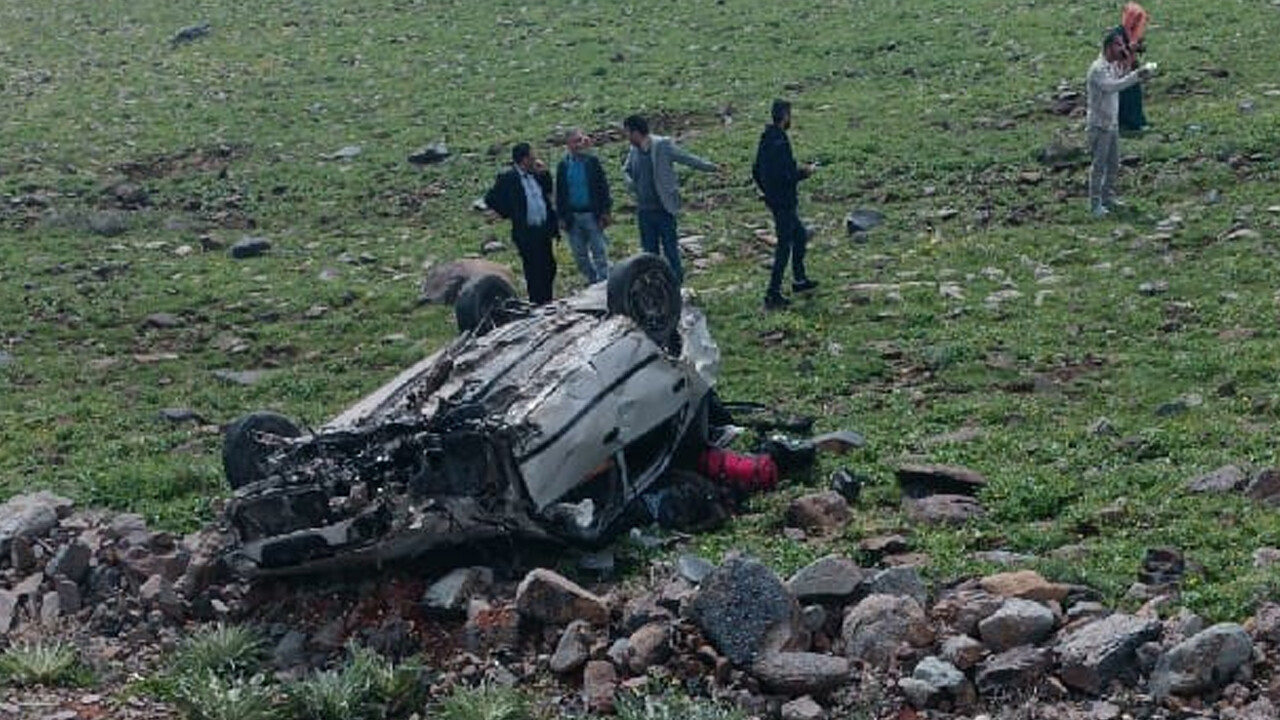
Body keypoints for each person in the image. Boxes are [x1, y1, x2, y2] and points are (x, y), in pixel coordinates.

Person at [622, 115, 720, 284]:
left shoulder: (661, 145)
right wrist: (631, 183)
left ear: (636, 132)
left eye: (628, 133)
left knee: (670, 250)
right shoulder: (634, 150)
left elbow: (686, 158)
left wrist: (711, 167)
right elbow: (626, 170)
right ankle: (656, 286)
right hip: (644, 210)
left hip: (663, 208)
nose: (627, 137)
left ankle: (676, 285)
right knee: (649, 253)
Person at [753, 99, 817, 310]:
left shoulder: (766, 138)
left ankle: (799, 280)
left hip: (775, 200)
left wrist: (766, 191)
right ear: (784, 116)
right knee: (784, 247)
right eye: (790, 114)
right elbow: (786, 174)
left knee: (799, 236)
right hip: (784, 202)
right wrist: (804, 173)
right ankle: (772, 294)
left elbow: (756, 169)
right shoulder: (780, 141)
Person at [1086, 28, 1151, 217]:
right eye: (1118, 45)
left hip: (1111, 123)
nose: (1121, 48)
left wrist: (1132, 55)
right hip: (1099, 125)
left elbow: (1121, 75)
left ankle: (1107, 197)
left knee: (1113, 163)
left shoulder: (1112, 66)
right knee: (1099, 165)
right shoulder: (1097, 70)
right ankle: (1094, 204)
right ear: (1108, 47)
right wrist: (1136, 76)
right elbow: (1113, 87)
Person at [484, 143, 559, 303]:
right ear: (524, 159)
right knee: (533, 270)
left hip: (543, 229)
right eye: (532, 157)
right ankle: (538, 302)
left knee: (549, 266)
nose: (535, 160)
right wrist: (508, 213)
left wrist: (544, 172)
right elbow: (490, 198)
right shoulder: (508, 178)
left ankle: (548, 299)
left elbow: (548, 189)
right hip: (526, 232)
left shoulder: (536, 174)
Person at [555, 129, 613, 284]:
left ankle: (604, 281)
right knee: (580, 255)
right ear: (568, 144)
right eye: (575, 141)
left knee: (599, 251)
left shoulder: (592, 162)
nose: (579, 144)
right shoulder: (563, 165)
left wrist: (605, 211)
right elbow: (559, 193)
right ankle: (592, 279)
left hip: (592, 214)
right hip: (573, 217)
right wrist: (560, 216)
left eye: (581, 140)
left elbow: (603, 187)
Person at [1117, 3, 1150, 132]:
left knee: (1133, 96)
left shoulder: (1129, 33)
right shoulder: (1119, 34)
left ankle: (1134, 121)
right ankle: (1130, 123)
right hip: (1122, 71)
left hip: (1130, 68)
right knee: (1127, 96)